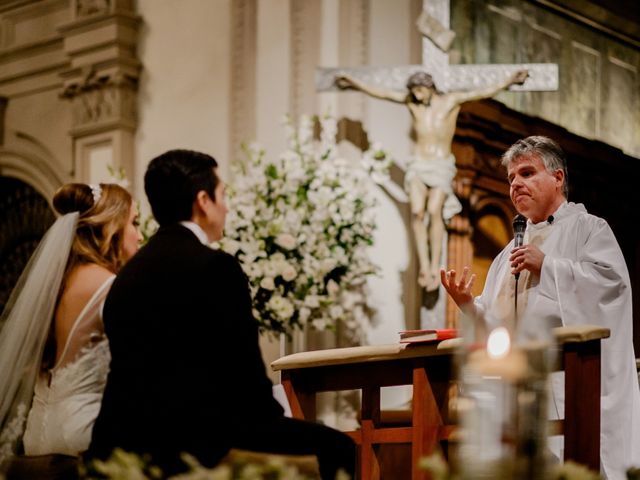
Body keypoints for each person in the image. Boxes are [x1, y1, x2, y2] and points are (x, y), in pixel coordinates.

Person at [88, 149, 355, 479]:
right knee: (340, 447)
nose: (227, 206)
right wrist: (275, 418)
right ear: (203, 200)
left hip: (119, 439)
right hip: (193, 441)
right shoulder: (216, 267)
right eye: (223, 194)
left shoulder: (125, 276)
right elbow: (246, 383)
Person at [440, 136, 640, 479]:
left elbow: (612, 287)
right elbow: (498, 324)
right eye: (511, 178)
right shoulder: (508, 253)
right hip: (518, 391)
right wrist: (468, 306)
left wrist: (548, 266)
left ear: (558, 178)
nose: (516, 183)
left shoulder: (589, 229)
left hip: (571, 381)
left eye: (527, 173)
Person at [336, 69, 528, 292]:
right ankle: (424, 266)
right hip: (419, 164)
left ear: (430, 87)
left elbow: (483, 90)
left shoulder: (450, 102)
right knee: (417, 213)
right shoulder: (413, 104)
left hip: (440, 165)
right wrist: (354, 82)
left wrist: (509, 80)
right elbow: (383, 93)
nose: (417, 96)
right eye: (414, 92)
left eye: (420, 91)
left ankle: (435, 264)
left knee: (435, 210)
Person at [0, 183, 141, 467]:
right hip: (83, 434)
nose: (139, 236)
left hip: (37, 434)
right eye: (134, 223)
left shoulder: (53, 285)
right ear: (111, 228)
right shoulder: (111, 286)